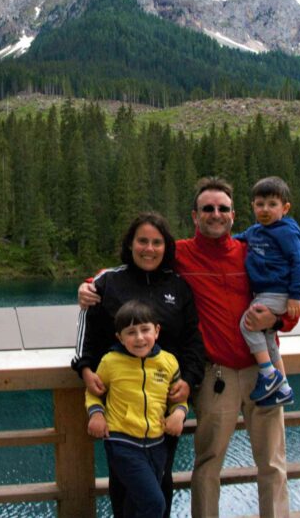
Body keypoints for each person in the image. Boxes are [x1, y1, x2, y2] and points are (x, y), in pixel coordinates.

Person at [80, 177, 300, 517]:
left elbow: (290, 294)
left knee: (272, 463)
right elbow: (132, 266)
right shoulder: (179, 254)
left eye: (223, 208)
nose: (216, 214)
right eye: (207, 209)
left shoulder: (251, 252)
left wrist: (277, 321)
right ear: (195, 216)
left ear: (233, 214)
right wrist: (90, 286)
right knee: (208, 463)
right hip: (217, 375)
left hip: (264, 372)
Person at [73, 212, 206, 518]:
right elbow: (87, 334)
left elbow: (192, 342)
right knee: (125, 484)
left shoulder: (179, 286)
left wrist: (188, 380)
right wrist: (85, 369)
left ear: (166, 246)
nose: (149, 248)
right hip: (120, 407)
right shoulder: (108, 282)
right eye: (142, 241)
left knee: (162, 479)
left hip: (164, 404)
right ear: (130, 244)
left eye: (157, 242)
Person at [85, 300, 189, 518]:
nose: (139, 338)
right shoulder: (111, 362)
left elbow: (178, 398)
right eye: (131, 332)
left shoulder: (168, 362)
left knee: (135, 504)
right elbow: (94, 391)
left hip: (157, 444)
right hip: (122, 443)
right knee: (154, 503)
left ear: (157, 331)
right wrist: (96, 414)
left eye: (145, 330)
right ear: (120, 338)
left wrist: (179, 413)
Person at [234, 176, 300, 408]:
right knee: (266, 336)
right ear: (253, 206)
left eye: (272, 204)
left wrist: (295, 294)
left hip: (278, 293)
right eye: (260, 204)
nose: (265, 209)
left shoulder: (287, 231)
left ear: (285, 208)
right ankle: (283, 387)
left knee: (248, 323)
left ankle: (268, 373)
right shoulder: (255, 231)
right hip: (266, 293)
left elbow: (298, 262)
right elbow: (235, 241)